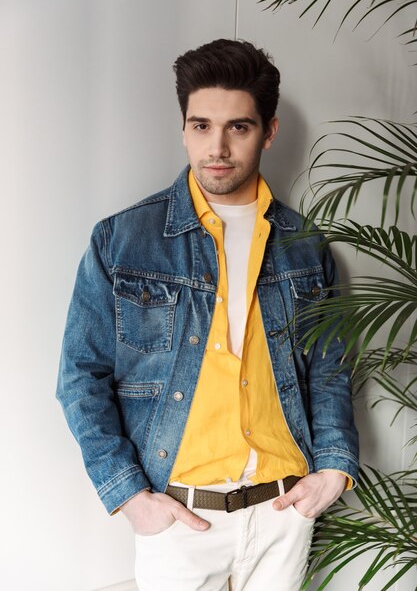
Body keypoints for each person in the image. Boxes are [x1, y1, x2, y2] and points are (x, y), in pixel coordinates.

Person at [57, 38, 359, 591]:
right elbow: (81, 377)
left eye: (238, 127)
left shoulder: (304, 246)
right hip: (179, 520)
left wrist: (334, 471)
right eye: (201, 126)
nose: (216, 147)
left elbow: (330, 368)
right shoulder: (124, 240)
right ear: (184, 128)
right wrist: (128, 496)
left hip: (283, 511)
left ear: (268, 131)